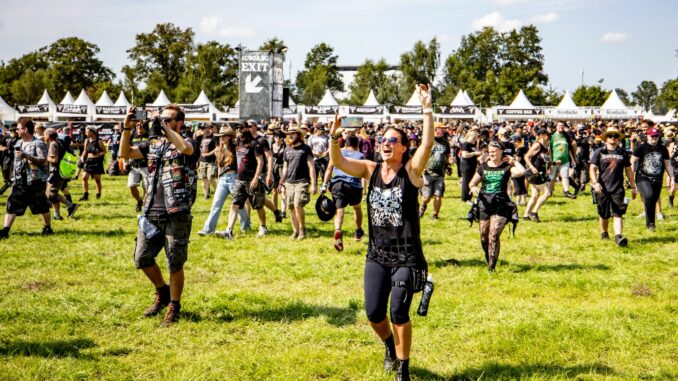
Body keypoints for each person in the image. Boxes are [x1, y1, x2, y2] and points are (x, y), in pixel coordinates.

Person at [328, 84, 433, 381]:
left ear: (402, 147)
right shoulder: (369, 169)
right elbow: (338, 162)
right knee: (374, 313)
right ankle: (389, 345)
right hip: (377, 254)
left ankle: (403, 368)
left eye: (392, 140)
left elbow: (427, 145)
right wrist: (335, 135)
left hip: (406, 256)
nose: (385, 143)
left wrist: (427, 108)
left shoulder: (411, 172)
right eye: (383, 139)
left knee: (399, 312)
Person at [118, 105, 198, 327]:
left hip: (177, 211)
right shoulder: (153, 146)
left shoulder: (191, 142)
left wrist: (162, 127)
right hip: (151, 210)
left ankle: (174, 306)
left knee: (175, 262)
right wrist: (127, 127)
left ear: (179, 122)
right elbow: (125, 153)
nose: (162, 121)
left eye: (167, 119)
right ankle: (162, 292)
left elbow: (185, 149)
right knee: (142, 257)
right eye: (161, 118)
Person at [469, 140, 525, 271]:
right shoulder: (483, 166)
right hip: (484, 203)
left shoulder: (507, 167)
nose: (491, 153)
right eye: (490, 151)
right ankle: (489, 258)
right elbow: (472, 183)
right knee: (484, 236)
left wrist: (513, 160)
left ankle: (491, 267)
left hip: (501, 203)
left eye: (494, 151)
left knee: (493, 234)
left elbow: (521, 172)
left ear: (501, 151)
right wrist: (473, 188)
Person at [0, 118, 53, 239]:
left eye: (18, 128)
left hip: (35, 181)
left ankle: (48, 227)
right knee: (12, 203)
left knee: (42, 205)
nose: (16, 131)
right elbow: (16, 162)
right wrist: (12, 176)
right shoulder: (18, 143)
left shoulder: (38, 143)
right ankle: (5, 230)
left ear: (25, 129)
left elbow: (43, 161)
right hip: (20, 181)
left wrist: (27, 156)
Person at [215, 122, 264, 240]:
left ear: (246, 129)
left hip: (252, 179)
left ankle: (263, 226)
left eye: (240, 128)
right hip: (239, 180)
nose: (238, 130)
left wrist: (256, 178)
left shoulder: (254, 144)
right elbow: (224, 143)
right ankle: (229, 231)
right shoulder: (237, 142)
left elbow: (260, 161)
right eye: (236, 128)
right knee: (234, 204)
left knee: (258, 205)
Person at [589, 126, 636, 247]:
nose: (613, 138)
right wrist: (595, 183)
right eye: (610, 136)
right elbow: (592, 168)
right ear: (606, 138)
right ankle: (604, 232)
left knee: (617, 213)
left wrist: (633, 186)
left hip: (618, 188)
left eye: (615, 136)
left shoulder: (622, 153)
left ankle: (618, 237)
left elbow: (629, 170)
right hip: (602, 188)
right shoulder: (599, 152)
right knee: (604, 214)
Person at [199, 125, 249, 236]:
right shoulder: (219, 148)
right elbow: (219, 165)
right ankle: (208, 229)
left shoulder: (235, 147)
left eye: (224, 136)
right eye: (221, 135)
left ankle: (246, 226)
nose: (222, 137)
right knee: (216, 204)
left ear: (230, 136)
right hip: (223, 179)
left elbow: (242, 160)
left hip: (234, 178)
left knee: (238, 205)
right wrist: (219, 177)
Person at [322, 134, 364, 251]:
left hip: (337, 184)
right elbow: (363, 172)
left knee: (339, 210)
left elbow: (329, 168)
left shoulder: (338, 152)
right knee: (357, 208)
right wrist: (364, 187)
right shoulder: (360, 155)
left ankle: (338, 230)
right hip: (353, 185)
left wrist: (324, 184)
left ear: (345, 143)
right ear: (357, 145)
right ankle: (358, 231)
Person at [631, 123, 674, 231]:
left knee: (653, 200)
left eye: (656, 136)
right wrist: (631, 178)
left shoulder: (663, 149)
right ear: (648, 136)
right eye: (652, 136)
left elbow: (668, 165)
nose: (654, 138)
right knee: (649, 196)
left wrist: (672, 178)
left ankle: (650, 222)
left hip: (657, 178)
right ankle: (651, 224)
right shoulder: (641, 147)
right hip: (643, 177)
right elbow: (632, 162)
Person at [278, 125, 317, 240]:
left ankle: (302, 230)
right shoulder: (287, 149)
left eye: (293, 133)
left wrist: (314, 184)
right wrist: (281, 183)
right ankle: (295, 231)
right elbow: (285, 168)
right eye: (289, 133)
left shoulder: (306, 148)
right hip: (289, 182)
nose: (290, 135)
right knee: (291, 207)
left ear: (299, 135)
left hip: (302, 181)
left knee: (297, 204)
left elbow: (311, 167)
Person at [45, 128, 79, 220]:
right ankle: (57, 215)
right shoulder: (59, 142)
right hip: (61, 171)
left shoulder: (53, 144)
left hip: (56, 172)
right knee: (53, 194)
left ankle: (70, 206)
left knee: (50, 194)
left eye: (45, 135)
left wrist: (46, 158)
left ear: (48, 136)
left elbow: (54, 159)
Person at [419, 122, 450, 220]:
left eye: (441, 129)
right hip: (428, 173)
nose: (439, 131)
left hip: (440, 174)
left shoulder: (445, 143)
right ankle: (423, 205)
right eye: (437, 129)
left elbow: (447, 156)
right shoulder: (428, 141)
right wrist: (422, 167)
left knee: (438, 196)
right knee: (426, 197)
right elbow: (421, 155)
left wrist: (449, 163)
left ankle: (435, 215)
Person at [523, 129, 552, 222]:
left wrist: (552, 165)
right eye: (548, 135)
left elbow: (546, 160)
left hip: (540, 172)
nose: (549, 137)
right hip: (534, 173)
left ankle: (526, 215)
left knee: (535, 195)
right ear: (542, 135)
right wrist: (532, 167)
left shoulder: (546, 146)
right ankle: (534, 212)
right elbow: (526, 156)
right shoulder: (537, 145)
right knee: (547, 193)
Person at [126, 120, 151, 212]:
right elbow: (126, 148)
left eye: (141, 125)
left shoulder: (149, 135)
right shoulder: (132, 135)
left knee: (146, 187)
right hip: (134, 166)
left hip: (146, 165)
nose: (139, 127)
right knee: (131, 185)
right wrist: (126, 162)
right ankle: (139, 201)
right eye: (137, 125)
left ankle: (146, 208)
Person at [549, 121, 578, 199]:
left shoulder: (566, 136)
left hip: (565, 161)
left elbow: (569, 149)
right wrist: (550, 161)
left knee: (565, 176)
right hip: (554, 161)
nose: (561, 127)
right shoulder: (552, 136)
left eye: (562, 126)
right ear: (556, 127)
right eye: (559, 125)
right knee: (552, 177)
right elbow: (549, 149)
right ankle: (550, 192)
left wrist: (572, 159)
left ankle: (567, 192)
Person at [79, 126, 106, 200]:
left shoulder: (99, 141)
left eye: (87, 131)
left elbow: (104, 151)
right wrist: (82, 158)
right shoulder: (87, 140)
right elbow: (85, 150)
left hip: (97, 162)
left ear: (93, 132)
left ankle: (98, 194)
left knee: (97, 180)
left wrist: (98, 154)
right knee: (84, 178)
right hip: (88, 161)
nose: (86, 133)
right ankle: (85, 195)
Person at [196, 123, 218, 199]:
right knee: (203, 178)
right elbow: (197, 149)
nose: (202, 130)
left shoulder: (214, 137)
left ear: (208, 128)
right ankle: (206, 195)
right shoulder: (199, 137)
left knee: (211, 177)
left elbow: (217, 148)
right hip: (202, 161)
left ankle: (217, 192)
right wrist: (197, 160)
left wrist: (208, 154)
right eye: (201, 128)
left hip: (211, 160)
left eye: (203, 128)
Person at [460, 130, 481, 204]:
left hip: (472, 165)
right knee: (466, 181)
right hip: (466, 165)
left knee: (471, 181)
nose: (475, 139)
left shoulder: (473, 145)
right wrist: (475, 153)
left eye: (476, 138)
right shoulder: (465, 144)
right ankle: (465, 198)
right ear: (470, 136)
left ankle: (470, 196)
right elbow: (465, 155)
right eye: (474, 138)